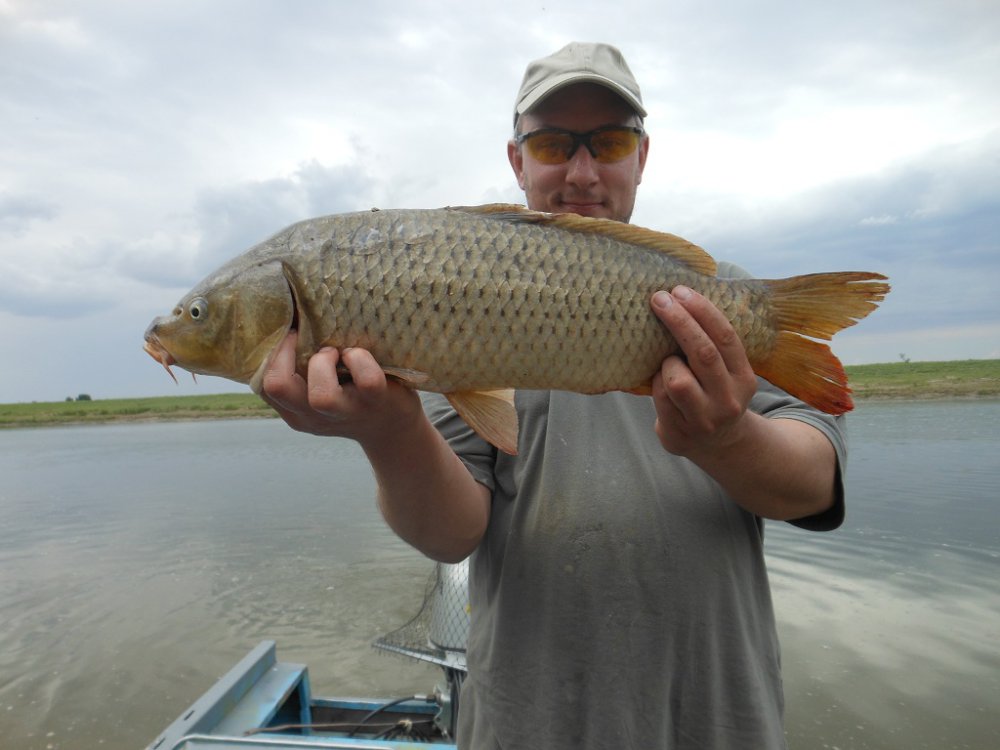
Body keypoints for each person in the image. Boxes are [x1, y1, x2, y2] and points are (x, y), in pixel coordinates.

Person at [261, 42, 846, 750]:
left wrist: (729, 439)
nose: (582, 172)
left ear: (642, 155)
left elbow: (815, 487)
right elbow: (452, 534)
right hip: (528, 724)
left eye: (610, 143)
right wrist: (389, 430)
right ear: (518, 161)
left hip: (715, 720)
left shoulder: (721, 302)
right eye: (552, 145)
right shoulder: (447, 292)